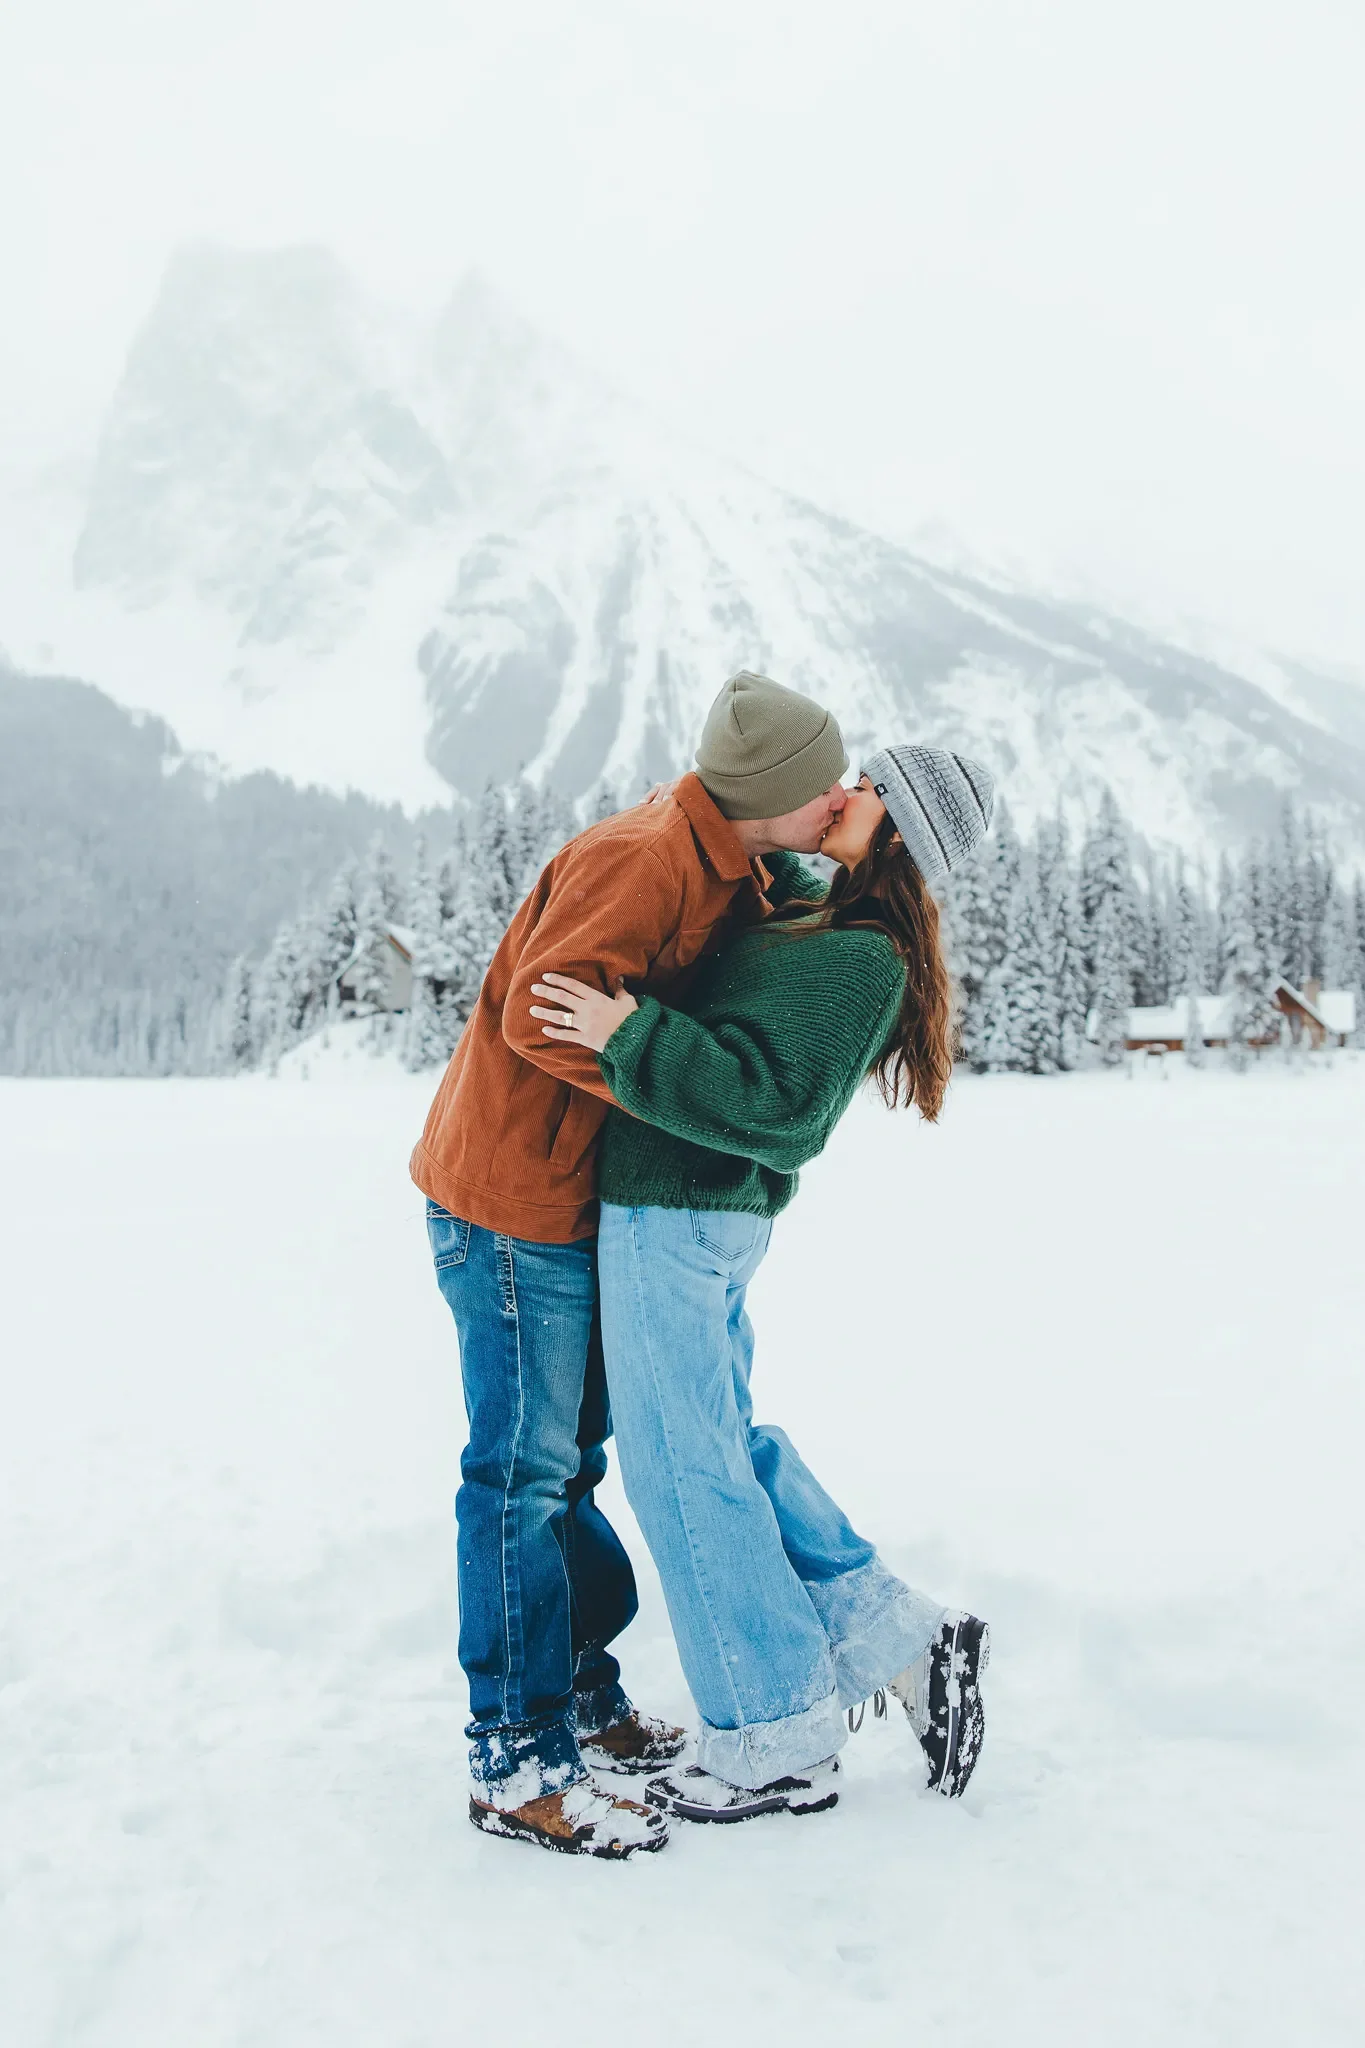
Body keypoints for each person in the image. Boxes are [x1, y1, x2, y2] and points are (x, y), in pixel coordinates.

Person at [411, 670, 851, 1859]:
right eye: (827, 786)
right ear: (775, 790)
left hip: (577, 1203)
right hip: (515, 1202)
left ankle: (585, 1696)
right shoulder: (645, 856)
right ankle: (514, 1752)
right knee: (520, 1474)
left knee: (572, 1463)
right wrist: (661, 1074)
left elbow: (818, 923)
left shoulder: (741, 865)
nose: (841, 799)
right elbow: (542, 1016)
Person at [528, 742, 995, 1824]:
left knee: (684, 1468)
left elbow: (778, 1104)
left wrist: (626, 1031)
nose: (845, 791)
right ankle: (898, 1635)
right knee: (721, 1447)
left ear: (901, 832)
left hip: (681, 1215)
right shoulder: (809, 910)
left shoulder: (863, 956)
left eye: (870, 787)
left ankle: (775, 1729)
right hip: (685, 1215)